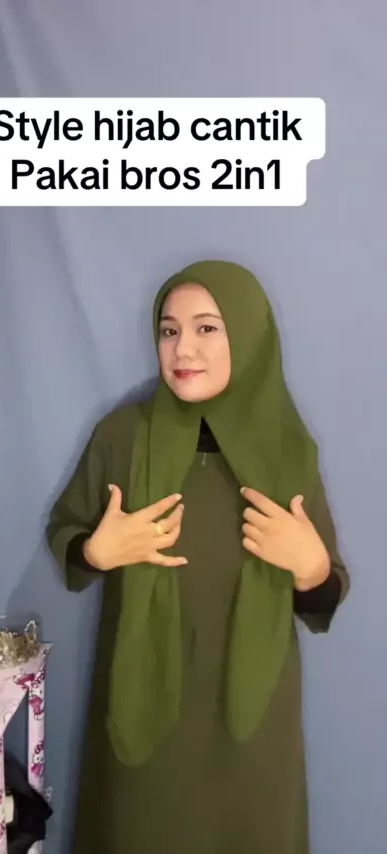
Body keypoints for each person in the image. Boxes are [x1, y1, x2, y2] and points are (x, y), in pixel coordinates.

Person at [46, 260, 350, 854]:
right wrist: (96, 551)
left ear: (250, 335)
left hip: (251, 717)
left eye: (207, 328)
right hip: (142, 704)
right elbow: (67, 535)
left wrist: (310, 566)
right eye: (169, 330)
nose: (183, 348)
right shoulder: (123, 435)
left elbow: (323, 595)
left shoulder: (287, 451)